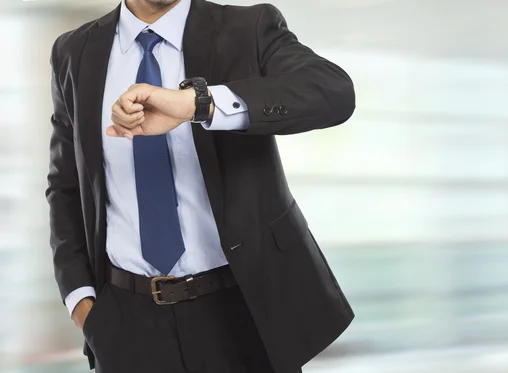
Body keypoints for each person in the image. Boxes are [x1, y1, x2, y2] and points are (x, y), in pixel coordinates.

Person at [47, 0, 355, 372]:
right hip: (124, 324)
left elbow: (332, 91)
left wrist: (199, 104)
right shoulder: (73, 51)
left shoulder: (248, 28)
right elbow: (64, 187)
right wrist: (81, 302)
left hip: (241, 312)